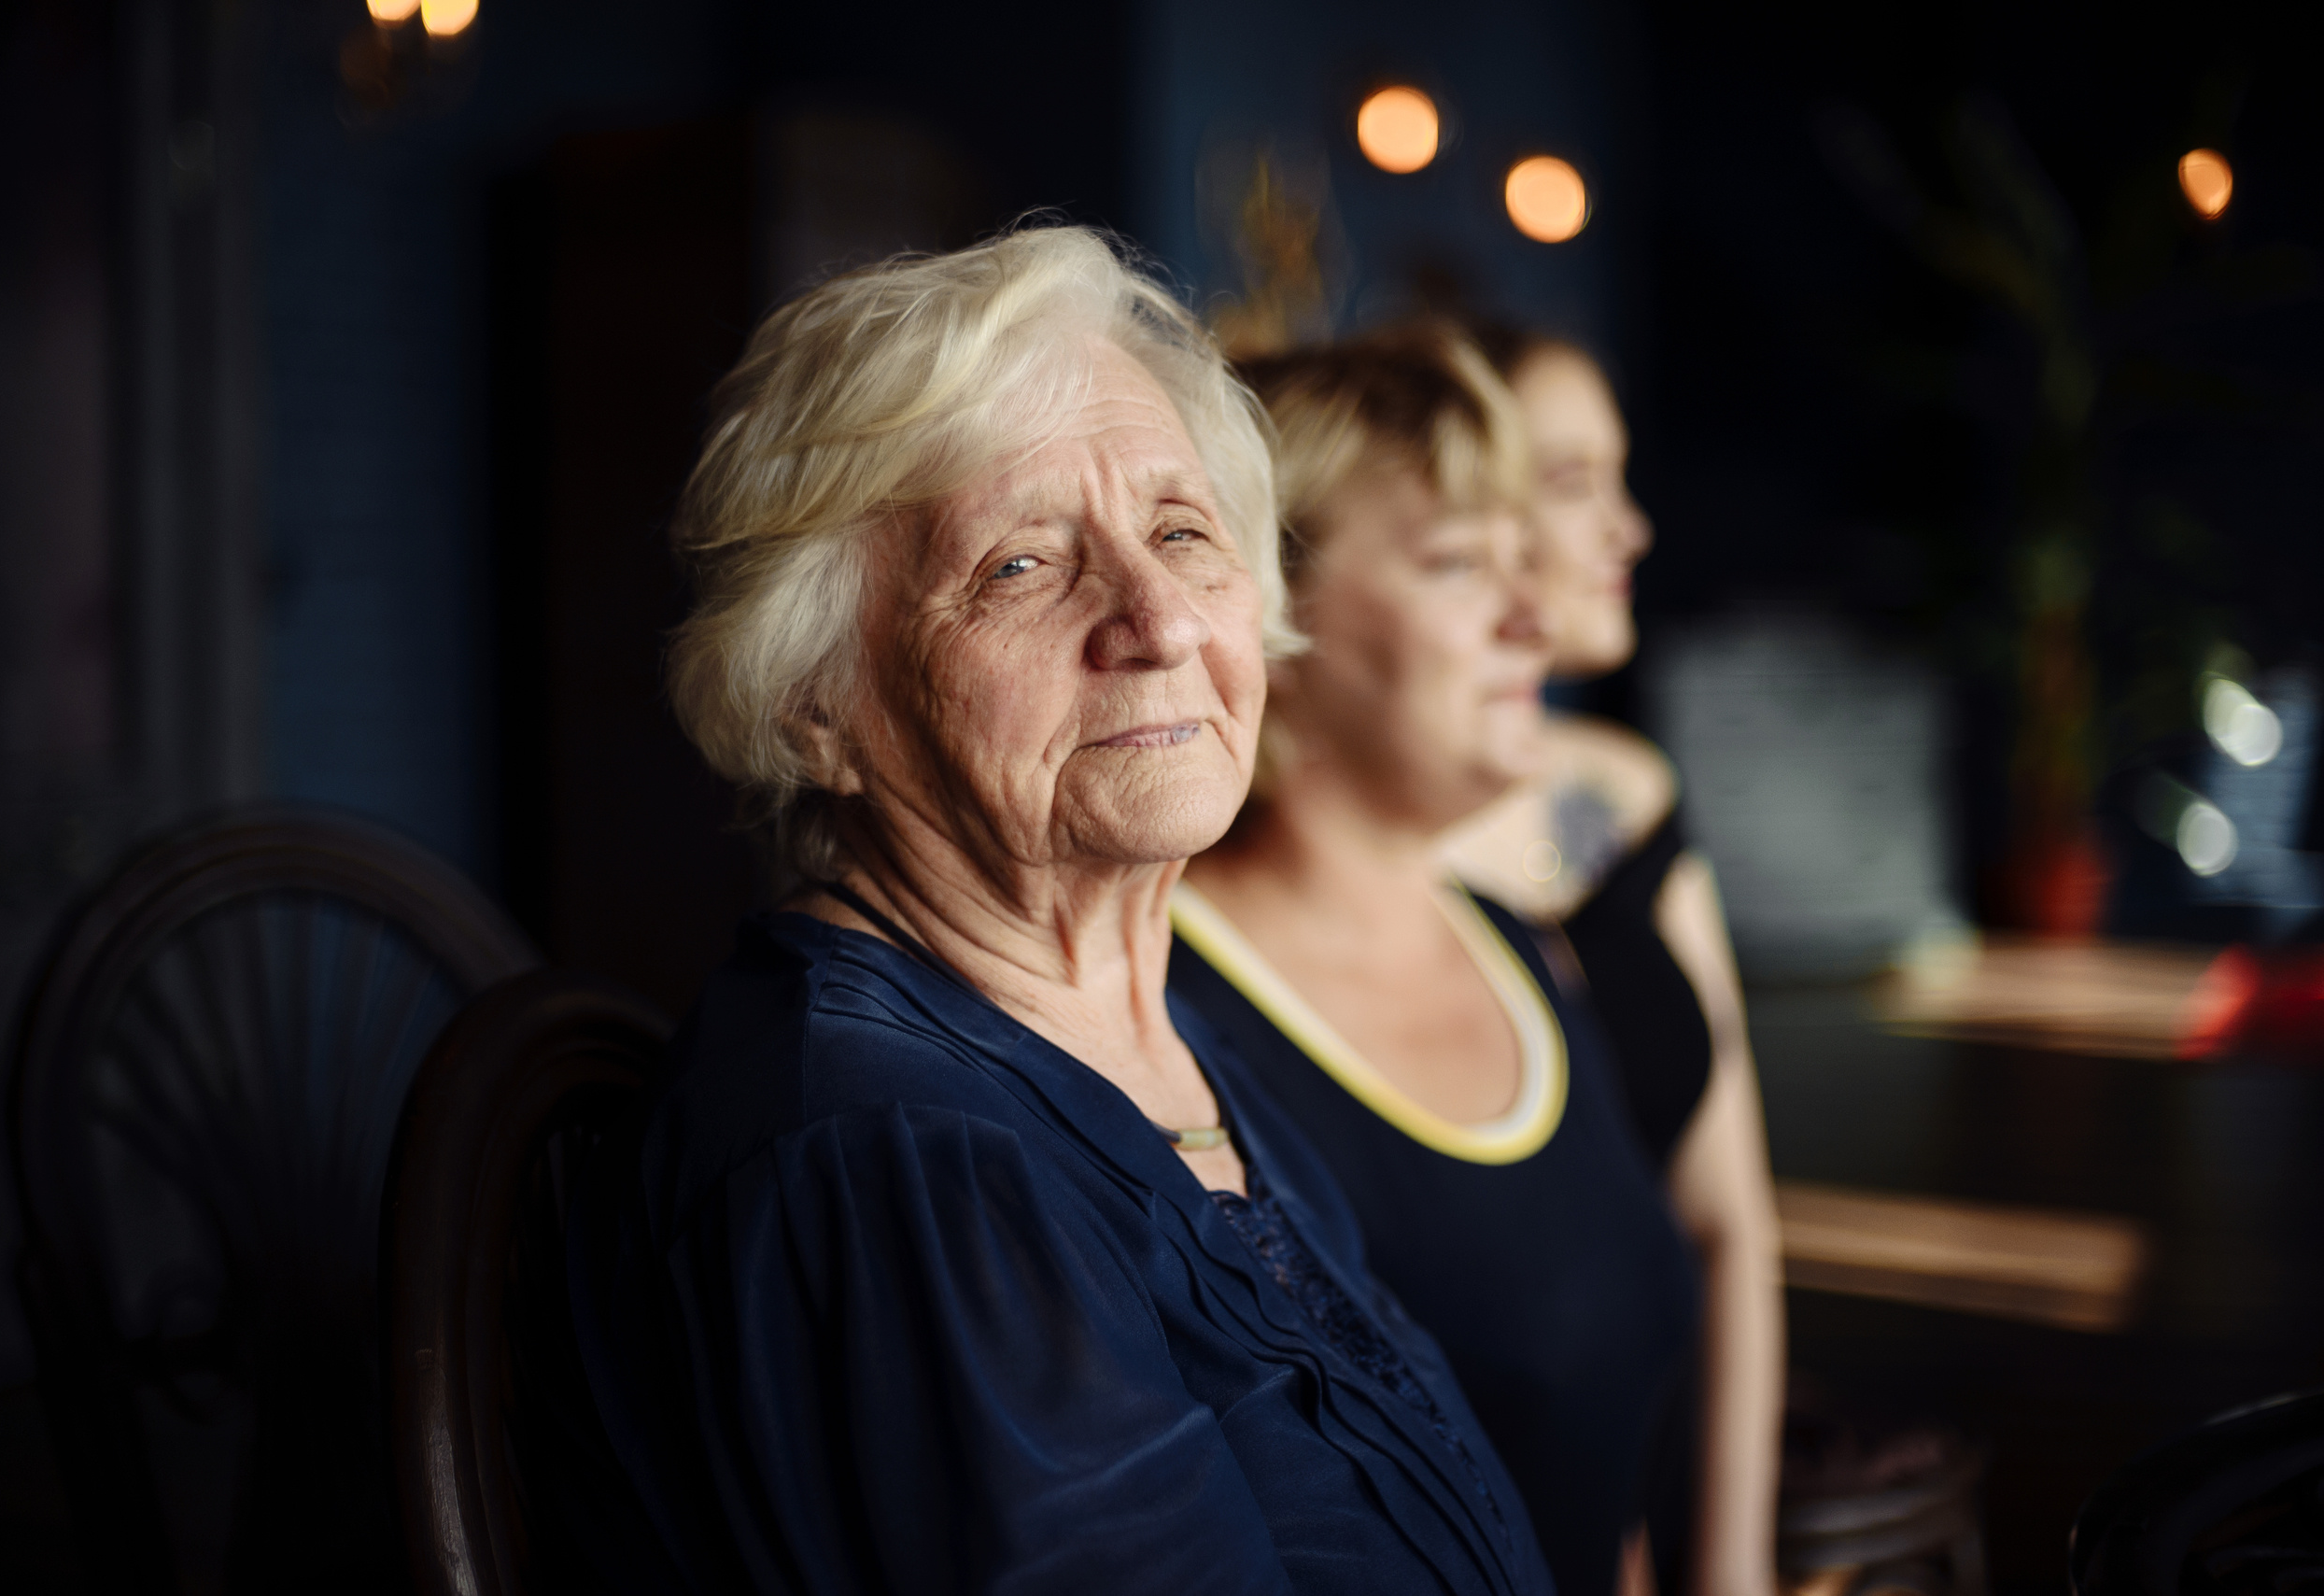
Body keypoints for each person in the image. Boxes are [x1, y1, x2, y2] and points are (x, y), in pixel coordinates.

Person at [550, 229, 1551, 1596]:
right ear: (816, 704)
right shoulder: (901, 1161)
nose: (1158, 619)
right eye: (1021, 565)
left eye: (1185, 534)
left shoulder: (1165, 1041)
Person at [1168, 327, 1698, 1596]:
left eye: (1528, 563)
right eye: (1462, 565)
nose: (1531, 619)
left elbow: (1605, 1445)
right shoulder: (1162, 1006)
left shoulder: (1517, 942)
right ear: (1263, 608)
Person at [1442, 331, 1782, 1596]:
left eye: (1619, 476)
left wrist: (1735, 1569)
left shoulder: (1622, 801)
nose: (1629, 529)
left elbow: (1731, 1223)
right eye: (1575, 480)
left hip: (1685, 1440)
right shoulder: (1367, 862)